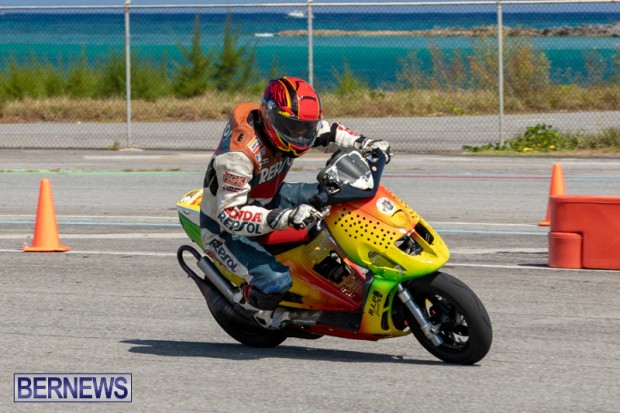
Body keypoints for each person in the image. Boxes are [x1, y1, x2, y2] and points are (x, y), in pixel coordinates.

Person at [200, 76, 391, 329]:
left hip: (270, 197)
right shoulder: (239, 156)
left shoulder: (292, 125)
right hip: (224, 229)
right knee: (276, 281)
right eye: (292, 127)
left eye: (305, 127)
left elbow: (329, 131)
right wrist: (286, 217)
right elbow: (230, 215)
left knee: (339, 193)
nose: (300, 135)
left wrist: (365, 143)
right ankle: (252, 307)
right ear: (270, 118)